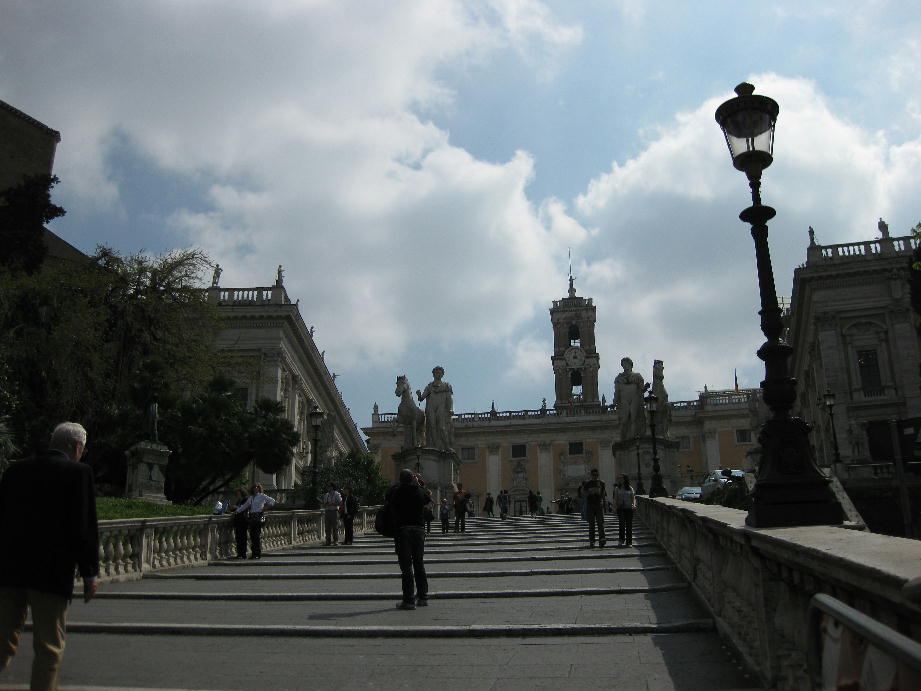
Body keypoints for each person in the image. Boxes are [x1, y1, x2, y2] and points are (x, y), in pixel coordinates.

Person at [0, 422, 99, 690]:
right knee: (48, 647)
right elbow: (84, 527)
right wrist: (90, 573)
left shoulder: (15, 471)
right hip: (51, 573)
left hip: (9, 570)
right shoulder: (79, 473)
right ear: (78, 447)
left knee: (3, 640)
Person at [388, 468, 429, 610]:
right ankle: (423, 597)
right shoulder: (418, 491)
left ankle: (409, 600)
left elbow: (388, 497)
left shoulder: (397, 491)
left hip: (403, 530)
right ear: (412, 479)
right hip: (418, 530)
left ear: (400, 479)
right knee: (419, 563)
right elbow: (427, 498)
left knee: (406, 566)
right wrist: (417, 484)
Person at [416, 366, 454, 451]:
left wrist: (450, 409)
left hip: (441, 407)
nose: (438, 374)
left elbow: (449, 398)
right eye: (437, 372)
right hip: (430, 407)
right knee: (431, 426)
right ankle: (434, 446)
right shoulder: (429, 386)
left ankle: (446, 446)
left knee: (441, 427)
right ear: (433, 374)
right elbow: (422, 398)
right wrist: (419, 395)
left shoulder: (446, 385)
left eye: (440, 373)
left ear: (442, 374)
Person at [233, 483, 276, 559]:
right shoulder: (251, 497)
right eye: (254, 488)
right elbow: (245, 506)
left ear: (259, 489)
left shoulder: (262, 496)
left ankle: (257, 554)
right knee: (253, 536)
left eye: (257, 487)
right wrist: (237, 511)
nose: (256, 489)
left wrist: (264, 508)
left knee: (256, 536)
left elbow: (272, 501)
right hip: (252, 517)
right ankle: (254, 554)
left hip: (258, 516)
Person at [615, 357, 646, 441]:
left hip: (634, 398)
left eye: (626, 364)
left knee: (633, 418)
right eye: (623, 364)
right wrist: (615, 401)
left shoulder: (637, 376)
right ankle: (624, 438)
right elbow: (617, 391)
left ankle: (633, 438)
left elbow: (641, 389)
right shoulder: (619, 378)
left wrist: (645, 388)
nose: (625, 366)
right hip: (624, 399)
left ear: (630, 365)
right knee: (624, 420)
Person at [580, 468, 607, 548]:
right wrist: (590, 492)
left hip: (599, 505)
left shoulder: (602, 483)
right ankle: (592, 541)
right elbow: (583, 493)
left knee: (600, 523)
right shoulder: (587, 484)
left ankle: (602, 539)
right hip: (590, 505)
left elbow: (603, 494)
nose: (595, 476)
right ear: (591, 475)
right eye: (593, 475)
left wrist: (604, 503)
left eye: (596, 475)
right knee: (591, 524)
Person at [615, 474, 637, 547]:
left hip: (629, 509)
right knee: (621, 524)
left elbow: (633, 498)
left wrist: (634, 505)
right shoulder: (617, 488)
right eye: (619, 478)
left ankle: (629, 542)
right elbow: (615, 498)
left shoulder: (630, 488)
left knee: (629, 525)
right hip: (621, 508)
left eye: (621, 478)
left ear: (625, 479)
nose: (620, 479)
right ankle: (621, 540)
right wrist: (616, 506)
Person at [229, 487, 250, 559]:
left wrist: (236, 507)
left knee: (243, 538)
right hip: (238, 521)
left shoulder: (245, 499)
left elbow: (244, 508)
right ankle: (239, 553)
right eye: (236, 493)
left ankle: (243, 553)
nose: (237, 494)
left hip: (243, 520)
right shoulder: (239, 500)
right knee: (238, 537)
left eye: (238, 493)